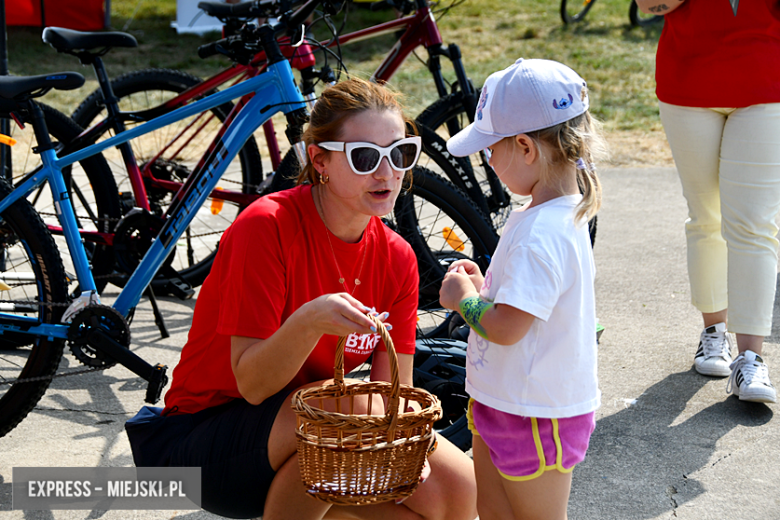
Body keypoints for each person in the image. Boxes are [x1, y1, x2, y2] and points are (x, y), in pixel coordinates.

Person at [125, 77, 478, 520]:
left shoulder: (397, 257)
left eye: (400, 152)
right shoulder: (267, 226)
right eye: (365, 157)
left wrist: (401, 452)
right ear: (320, 159)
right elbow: (253, 386)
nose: (387, 172)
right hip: (201, 444)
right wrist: (308, 322)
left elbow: (396, 395)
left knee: (457, 489)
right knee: (349, 415)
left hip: (312, 437)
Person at [439, 58, 606, 520]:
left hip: (535, 415)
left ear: (525, 147)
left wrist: (463, 300)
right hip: (507, 401)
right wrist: (483, 291)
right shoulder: (547, 216)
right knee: (493, 511)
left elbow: (509, 327)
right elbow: (521, 305)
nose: (488, 160)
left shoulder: (542, 232)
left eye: (491, 149)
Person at [637, 0, 780, 402]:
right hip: (688, 81)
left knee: (754, 224)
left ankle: (752, 359)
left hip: (767, 79)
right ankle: (714, 332)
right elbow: (648, 4)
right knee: (705, 216)